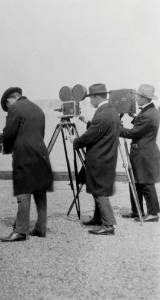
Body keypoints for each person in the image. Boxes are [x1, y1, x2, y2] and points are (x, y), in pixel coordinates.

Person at [0, 87, 53, 242]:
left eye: (7, 105)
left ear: (10, 99)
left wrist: (7, 149)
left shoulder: (15, 108)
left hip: (24, 155)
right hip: (41, 154)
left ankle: (21, 231)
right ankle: (40, 228)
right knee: (40, 191)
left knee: (23, 190)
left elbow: (9, 134)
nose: (8, 108)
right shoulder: (38, 109)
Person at [69, 83, 120, 235]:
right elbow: (101, 129)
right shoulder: (110, 111)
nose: (90, 101)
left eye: (91, 98)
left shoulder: (103, 113)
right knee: (99, 188)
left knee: (99, 191)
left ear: (97, 97)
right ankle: (99, 218)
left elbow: (91, 136)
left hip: (100, 158)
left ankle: (108, 225)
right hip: (106, 156)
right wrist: (88, 123)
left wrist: (75, 141)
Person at [120, 84, 160, 222]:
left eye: (137, 96)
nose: (135, 98)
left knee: (146, 183)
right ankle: (136, 210)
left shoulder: (148, 114)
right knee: (136, 182)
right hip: (142, 152)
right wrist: (134, 116)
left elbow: (133, 132)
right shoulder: (149, 111)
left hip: (144, 154)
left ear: (144, 98)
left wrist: (117, 128)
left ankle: (153, 213)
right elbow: (141, 123)